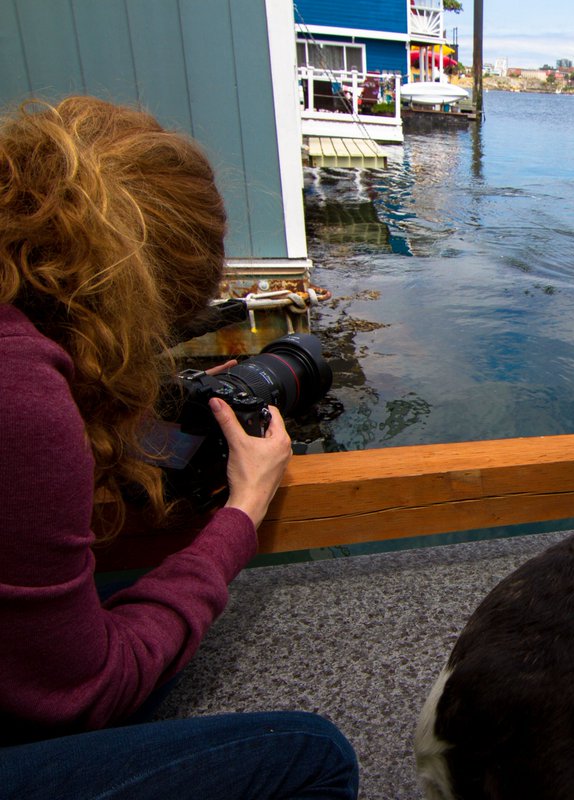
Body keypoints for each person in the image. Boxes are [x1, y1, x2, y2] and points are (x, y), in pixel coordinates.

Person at [0, 97, 358, 798]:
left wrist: (149, 397)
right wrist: (243, 510)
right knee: (310, 754)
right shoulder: (21, 401)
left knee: (118, 595)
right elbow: (85, 692)